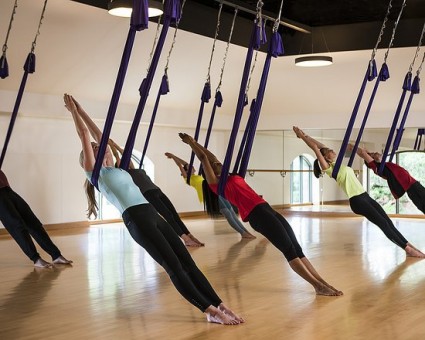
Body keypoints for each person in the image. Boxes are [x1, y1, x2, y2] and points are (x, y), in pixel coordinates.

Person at [64, 94, 243, 325]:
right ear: (88, 159)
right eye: (95, 149)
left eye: (102, 148)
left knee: (188, 263)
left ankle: (220, 305)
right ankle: (209, 311)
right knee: (174, 267)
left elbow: (102, 135)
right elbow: (84, 135)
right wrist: (74, 113)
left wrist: (83, 109)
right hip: (137, 220)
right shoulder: (96, 174)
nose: (102, 148)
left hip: (151, 214)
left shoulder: (119, 169)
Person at [179, 132, 343, 296]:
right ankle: (316, 286)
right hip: (256, 215)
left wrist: (197, 144)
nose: (218, 162)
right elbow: (203, 157)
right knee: (289, 250)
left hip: (266, 208)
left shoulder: (230, 176)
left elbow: (210, 156)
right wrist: (191, 142)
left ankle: (322, 282)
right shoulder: (216, 183)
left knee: (297, 248)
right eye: (215, 164)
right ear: (211, 171)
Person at [293, 126, 425, 258]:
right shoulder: (328, 168)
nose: (332, 150)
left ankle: (408, 245)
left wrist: (305, 135)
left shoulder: (338, 164)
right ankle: (407, 249)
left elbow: (319, 146)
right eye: (329, 151)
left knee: (387, 221)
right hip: (357, 201)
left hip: (365, 196)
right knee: (383, 223)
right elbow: (316, 149)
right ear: (325, 157)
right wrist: (302, 136)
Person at [105, 140, 204, 247]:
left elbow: (127, 155)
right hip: (148, 194)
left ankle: (190, 235)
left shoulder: (134, 169)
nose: (127, 161)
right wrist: (112, 146)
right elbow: (118, 156)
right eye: (123, 162)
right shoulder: (125, 173)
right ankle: (186, 239)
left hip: (157, 191)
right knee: (168, 216)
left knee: (174, 214)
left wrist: (116, 145)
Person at [165, 152, 256, 239]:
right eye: (189, 167)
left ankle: (245, 231)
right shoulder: (187, 179)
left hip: (215, 191)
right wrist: (173, 157)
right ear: (185, 171)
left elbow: (184, 163)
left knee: (231, 211)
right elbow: (180, 165)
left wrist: (175, 157)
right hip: (209, 196)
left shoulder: (196, 176)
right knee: (227, 213)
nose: (192, 167)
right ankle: (242, 233)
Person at [0, 170, 72, 268]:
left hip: (7, 189)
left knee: (33, 223)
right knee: (17, 226)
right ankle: (36, 259)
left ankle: (56, 255)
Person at [351, 144, 425, 214]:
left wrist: (367, 151)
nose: (376, 152)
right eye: (374, 154)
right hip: (412, 187)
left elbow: (366, 152)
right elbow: (363, 153)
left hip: (413, 186)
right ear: (373, 159)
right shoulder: (377, 167)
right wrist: (352, 147)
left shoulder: (386, 165)